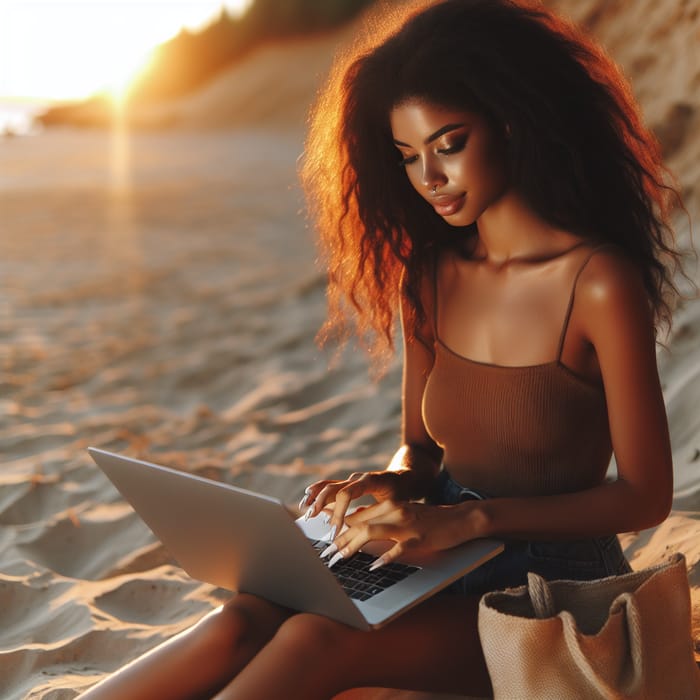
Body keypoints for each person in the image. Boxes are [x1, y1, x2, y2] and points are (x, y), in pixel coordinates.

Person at [79, 1, 687, 698]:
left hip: (550, 578)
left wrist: (470, 518)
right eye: (408, 157)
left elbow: (645, 495)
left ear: (510, 122)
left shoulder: (598, 281)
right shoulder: (429, 276)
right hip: (430, 547)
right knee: (238, 622)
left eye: (449, 144)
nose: (430, 177)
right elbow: (420, 450)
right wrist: (390, 484)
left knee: (316, 641)